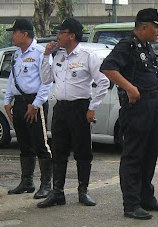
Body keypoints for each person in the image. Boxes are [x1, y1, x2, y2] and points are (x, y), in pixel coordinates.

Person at [100, 8, 158, 220]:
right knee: (134, 156)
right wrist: (129, 88)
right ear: (144, 26)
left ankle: (146, 198)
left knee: (150, 153)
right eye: (156, 26)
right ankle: (131, 204)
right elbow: (108, 67)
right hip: (136, 108)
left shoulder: (146, 46)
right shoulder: (127, 44)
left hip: (151, 105)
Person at [37, 18, 110, 208]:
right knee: (59, 151)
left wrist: (92, 107)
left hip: (80, 108)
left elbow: (103, 82)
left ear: (72, 35)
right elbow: (45, 79)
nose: (58, 36)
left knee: (82, 151)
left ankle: (83, 191)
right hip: (61, 108)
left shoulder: (87, 56)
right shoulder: (58, 56)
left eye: (62, 32)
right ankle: (57, 193)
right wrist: (46, 56)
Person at [4, 19, 53, 199]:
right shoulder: (17, 54)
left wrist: (37, 103)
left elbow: (47, 81)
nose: (12, 36)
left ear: (24, 34)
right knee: (24, 143)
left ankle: (47, 184)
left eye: (14, 32)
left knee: (41, 143)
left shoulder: (41, 53)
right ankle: (27, 181)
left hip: (34, 103)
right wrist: (7, 100)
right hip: (19, 102)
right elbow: (12, 78)